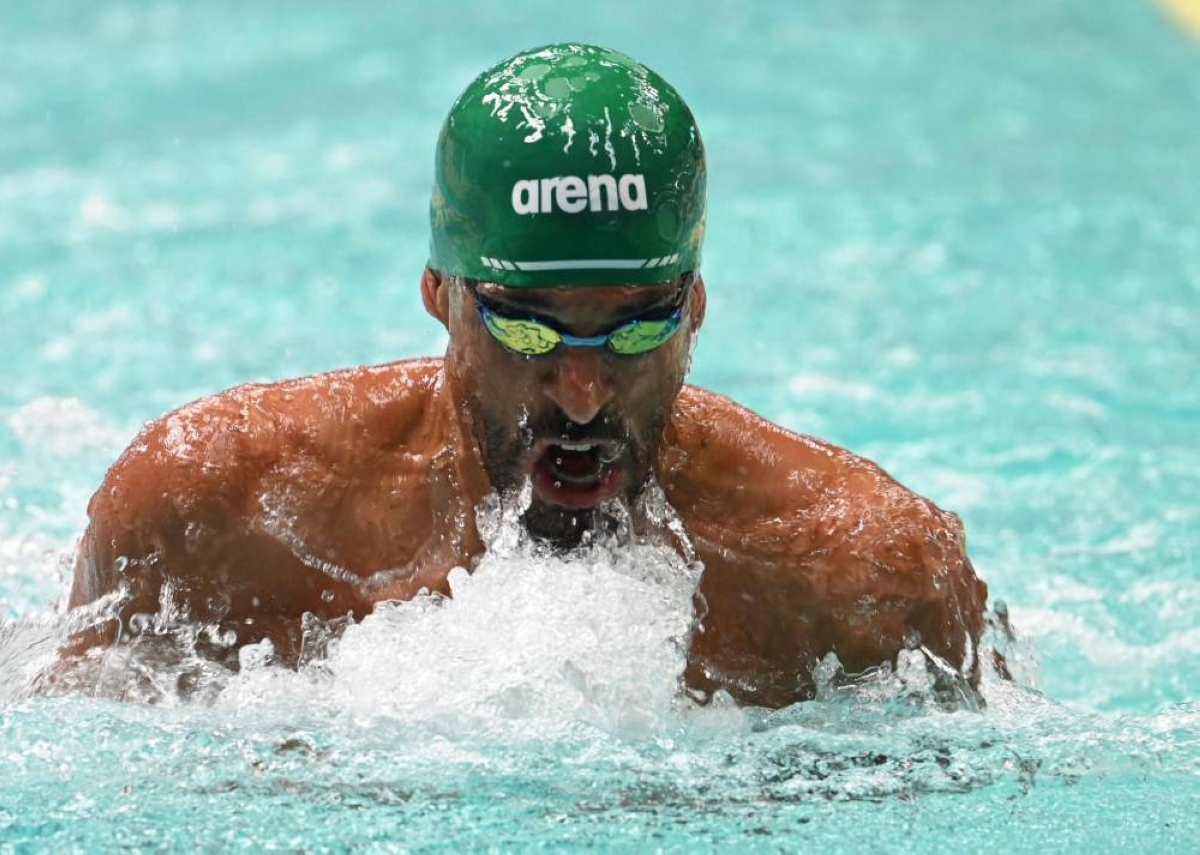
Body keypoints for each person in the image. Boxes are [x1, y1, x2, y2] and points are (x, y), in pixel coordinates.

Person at [66, 43, 988, 707]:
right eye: (526, 327)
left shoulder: (862, 578)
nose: (583, 389)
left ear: (697, 305)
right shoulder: (213, 512)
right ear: (439, 294)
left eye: (638, 328)